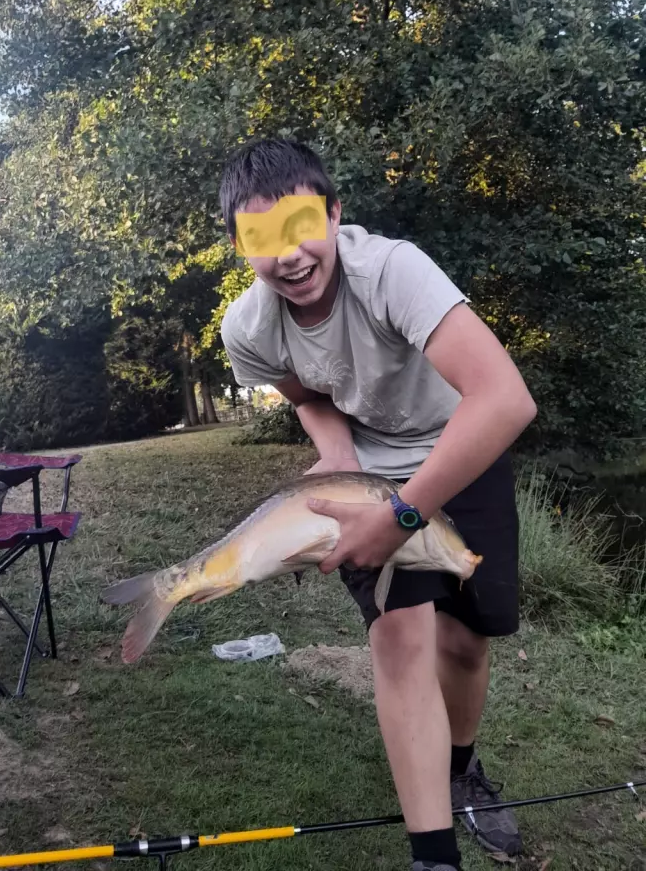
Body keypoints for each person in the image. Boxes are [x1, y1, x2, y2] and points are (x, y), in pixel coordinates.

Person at [219, 139, 537, 871]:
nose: (288, 254)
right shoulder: (247, 328)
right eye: (261, 236)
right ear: (241, 246)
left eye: (302, 225)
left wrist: (402, 518)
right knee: (400, 642)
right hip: (368, 474)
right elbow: (305, 395)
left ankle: (461, 768)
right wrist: (337, 454)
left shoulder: (393, 270)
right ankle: (434, 857)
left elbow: (505, 400)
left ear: (335, 214)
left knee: (465, 642)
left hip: (462, 448)